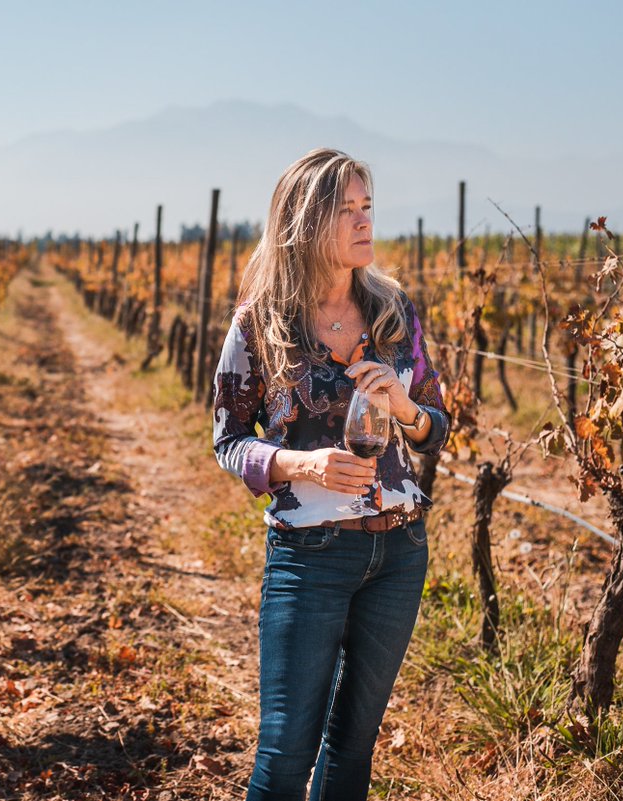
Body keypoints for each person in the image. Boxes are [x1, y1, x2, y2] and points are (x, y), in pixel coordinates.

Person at [211, 147, 451, 801]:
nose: (363, 221)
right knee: (287, 752)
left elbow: (438, 422)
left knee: (352, 751)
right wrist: (299, 462)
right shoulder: (260, 323)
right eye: (345, 209)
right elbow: (228, 441)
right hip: (308, 557)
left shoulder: (394, 314)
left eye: (366, 206)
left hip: (399, 551)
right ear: (305, 222)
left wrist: (406, 408)